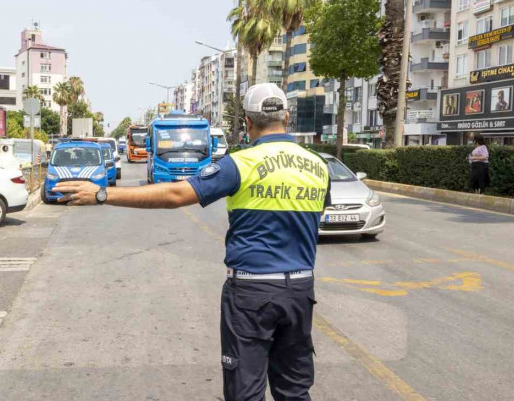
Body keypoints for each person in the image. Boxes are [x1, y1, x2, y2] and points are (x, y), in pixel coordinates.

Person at [53, 83, 330, 401]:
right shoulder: (318, 167)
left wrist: (102, 193)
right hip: (299, 292)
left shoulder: (240, 164)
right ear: (288, 116)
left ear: (248, 123)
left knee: (245, 391)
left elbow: (174, 193)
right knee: (295, 390)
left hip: (252, 294)